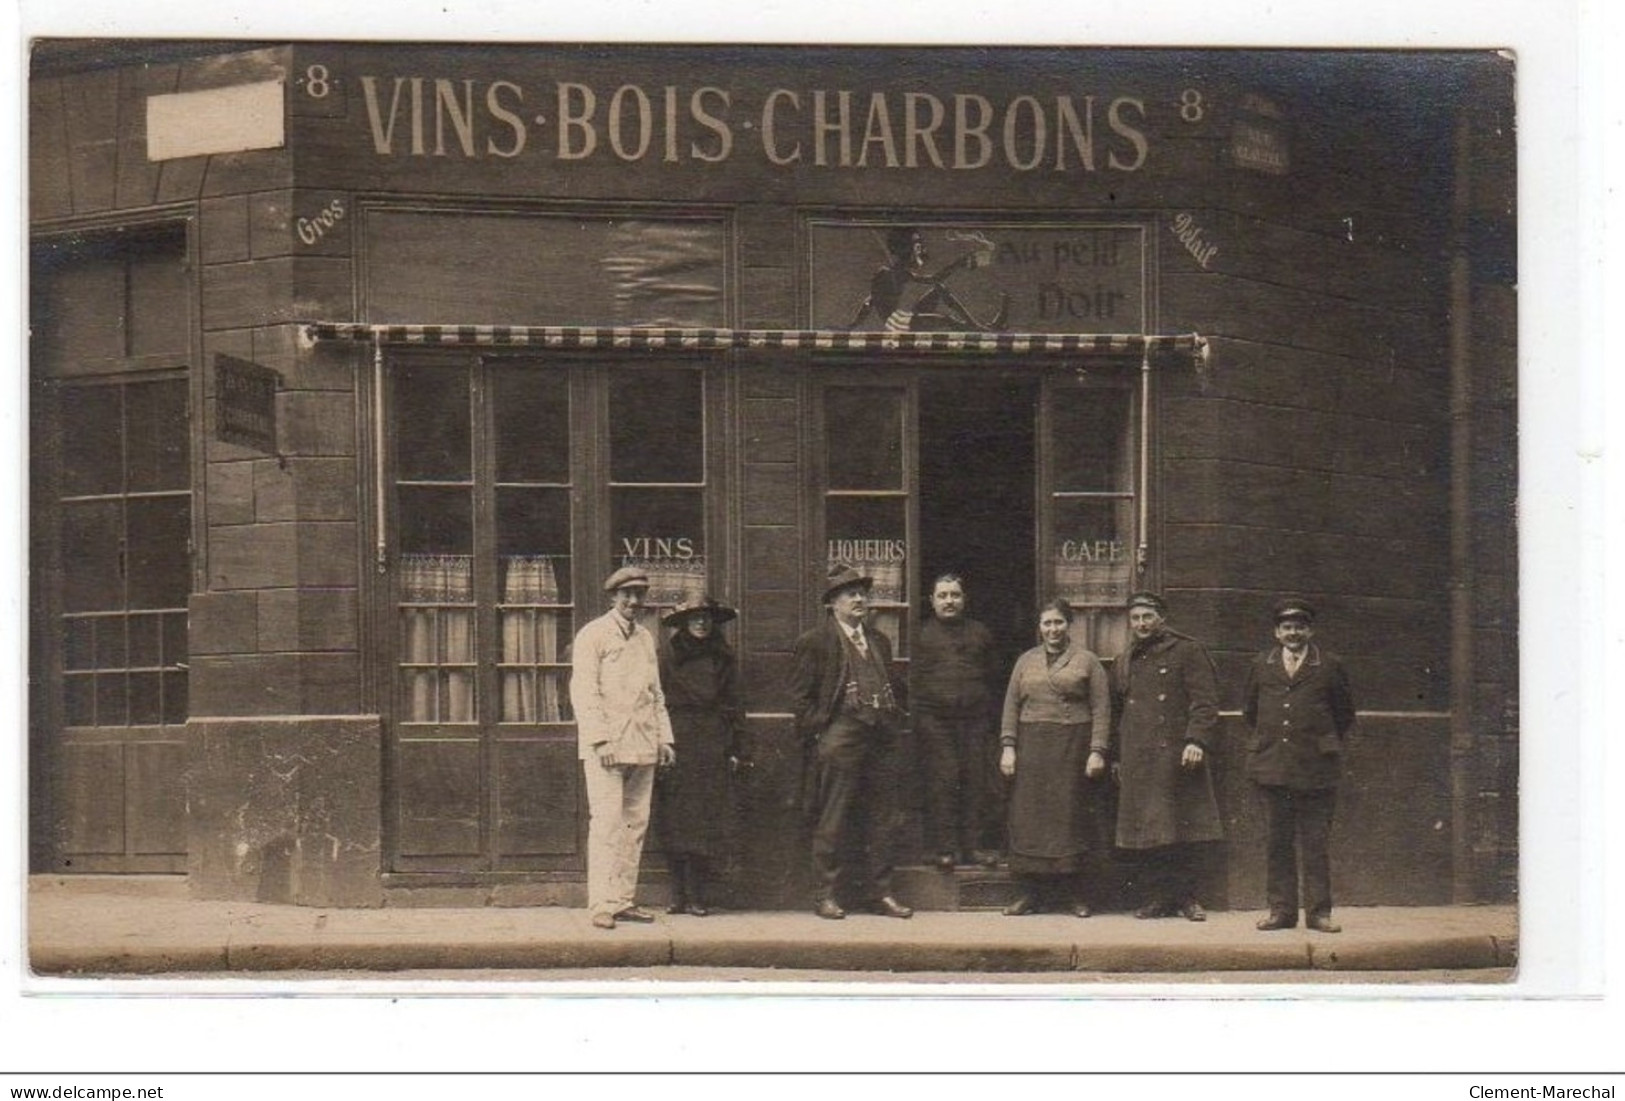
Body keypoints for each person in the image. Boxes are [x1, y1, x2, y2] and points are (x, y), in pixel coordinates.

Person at [789, 564, 913, 920]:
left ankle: (881, 893)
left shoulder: (879, 641)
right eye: (850, 594)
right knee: (833, 818)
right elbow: (799, 700)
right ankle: (825, 895)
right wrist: (824, 733)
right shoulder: (815, 641)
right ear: (833, 603)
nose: (859, 599)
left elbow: (894, 687)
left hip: (881, 739)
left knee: (883, 818)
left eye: (862, 593)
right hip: (840, 738)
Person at [569, 566, 676, 930]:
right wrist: (601, 739)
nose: (633, 601)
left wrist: (665, 738)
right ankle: (601, 904)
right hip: (607, 748)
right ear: (612, 597)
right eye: (626, 594)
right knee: (607, 824)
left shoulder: (645, 638)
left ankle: (623, 900)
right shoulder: (593, 635)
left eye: (639, 594)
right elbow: (584, 691)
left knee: (635, 824)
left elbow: (655, 692)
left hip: (643, 743)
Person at [1243, 597, 1357, 934]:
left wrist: (1319, 743)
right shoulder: (1261, 664)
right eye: (1287, 627)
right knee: (1277, 844)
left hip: (1316, 769)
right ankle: (1282, 912)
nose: (1293, 633)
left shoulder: (1329, 665)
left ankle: (1319, 914)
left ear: (1310, 630)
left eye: (1300, 627)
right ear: (1277, 632)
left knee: (1315, 844)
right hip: (1272, 768)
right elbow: (1250, 712)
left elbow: (1344, 714)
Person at [1110, 591, 1224, 921]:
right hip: (1138, 755)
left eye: (1148, 617)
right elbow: (1120, 712)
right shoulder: (1126, 658)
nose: (1142, 624)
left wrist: (1196, 741)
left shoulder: (1187, 650)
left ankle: (1188, 899)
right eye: (1135, 618)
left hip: (1176, 753)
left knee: (1181, 828)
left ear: (1162, 618)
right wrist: (1118, 757)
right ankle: (1159, 897)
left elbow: (1205, 702)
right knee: (1150, 831)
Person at [997, 598, 1113, 917]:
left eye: (1058, 622)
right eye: (1047, 623)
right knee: (1031, 819)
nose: (1052, 629)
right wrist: (1008, 746)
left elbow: (1101, 709)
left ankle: (1073, 895)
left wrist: (1097, 750)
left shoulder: (1087, 661)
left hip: (1072, 745)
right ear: (1039, 627)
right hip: (1031, 747)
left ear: (1069, 624)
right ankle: (1031, 894)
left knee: (1069, 819)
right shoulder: (1025, 661)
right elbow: (1011, 706)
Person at [654, 594, 746, 917]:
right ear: (683, 622)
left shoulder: (723, 656)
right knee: (675, 819)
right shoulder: (667, 656)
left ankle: (697, 895)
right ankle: (677, 894)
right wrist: (661, 742)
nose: (701, 622)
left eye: (706, 617)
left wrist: (735, 748)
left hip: (712, 741)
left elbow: (734, 704)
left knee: (705, 820)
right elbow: (655, 701)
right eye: (694, 617)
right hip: (677, 741)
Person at [913, 573, 1005, 870]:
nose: (949, 601)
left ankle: (973, 848)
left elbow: (994, 676)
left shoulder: (981, 633)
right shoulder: (921, 634)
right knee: (944, 782)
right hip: (936, 722)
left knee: (975, 782)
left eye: (955, 595)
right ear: (932, 601)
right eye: (943, 596)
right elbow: (911, 682)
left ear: (964, 599)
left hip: (975, 721)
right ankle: (945, 849)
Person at [844, 226, 1009, 333]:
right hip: (897, 323)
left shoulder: (896, 273)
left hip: (901, 317)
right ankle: (982, 329)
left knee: (939, 289)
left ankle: (980, 327)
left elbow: (869, 301)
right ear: (907, 248)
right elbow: (871, 300)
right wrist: (957, 263)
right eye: (917, 244)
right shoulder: (889, 274)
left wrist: (854, 324)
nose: (921, 248)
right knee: (947, 319)